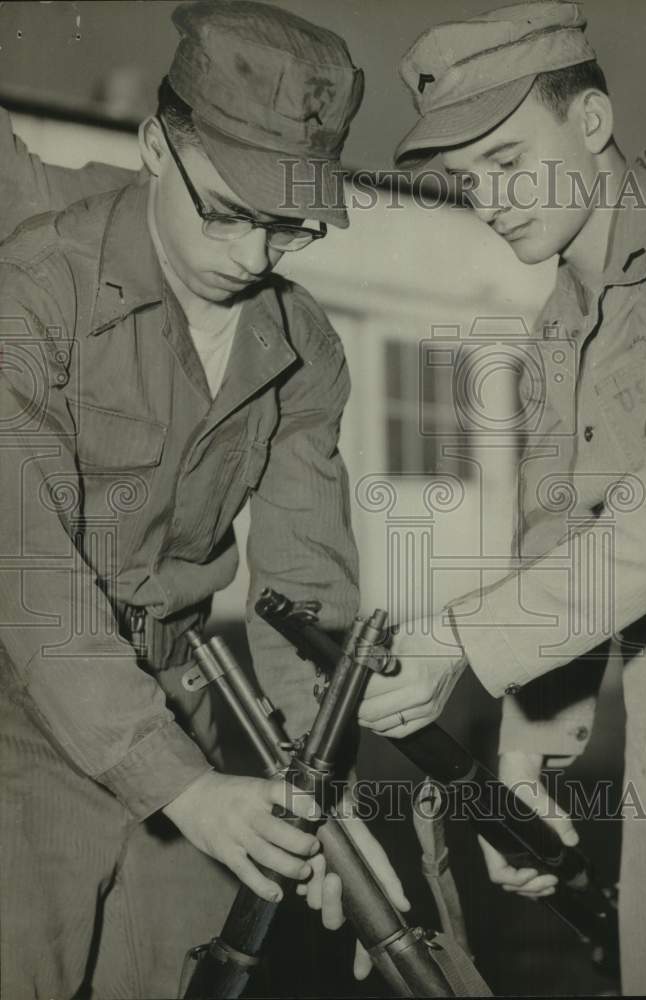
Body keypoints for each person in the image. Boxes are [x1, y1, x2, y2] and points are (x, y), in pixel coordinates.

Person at [359, 1, 646, 994]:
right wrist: (528, 762)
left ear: (592, 123)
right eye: (466, 179)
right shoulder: (564, 315)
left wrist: (459, 641)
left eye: (510, 160)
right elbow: (563, 533)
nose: (491, 198)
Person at [0, 3, 407, 998]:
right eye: (229, 211)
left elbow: (306, 599)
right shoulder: (36, 292)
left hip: (182, 703)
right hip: (21, 706)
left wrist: (325, 806)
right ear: (154, 145)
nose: (256, 254)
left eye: (292, 223)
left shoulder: (302, 345)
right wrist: (180, 786)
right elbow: (30, 576)